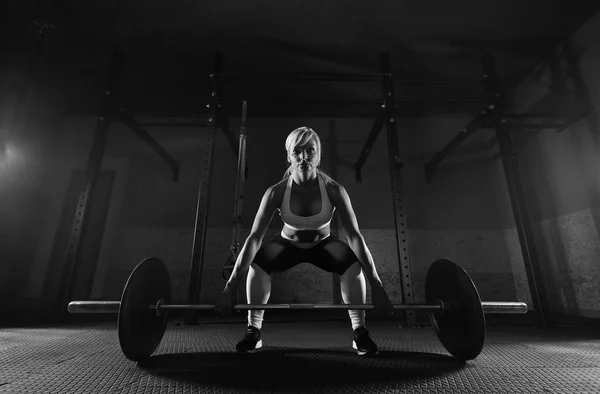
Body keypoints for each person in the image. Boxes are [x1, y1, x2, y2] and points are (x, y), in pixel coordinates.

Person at [215, 126, 393, 356]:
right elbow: (255, 238)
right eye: (297, 151)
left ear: (318, 155)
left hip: (324, 245)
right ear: (289, 156)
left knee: (353, 265)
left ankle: (360, 331)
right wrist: (230, 287)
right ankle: (254, 330)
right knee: (258, 265)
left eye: (310, 150)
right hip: (287, 245)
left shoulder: (334, 190)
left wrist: (377, 287)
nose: (304, 157)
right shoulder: (276, 192)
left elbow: (355, 237)